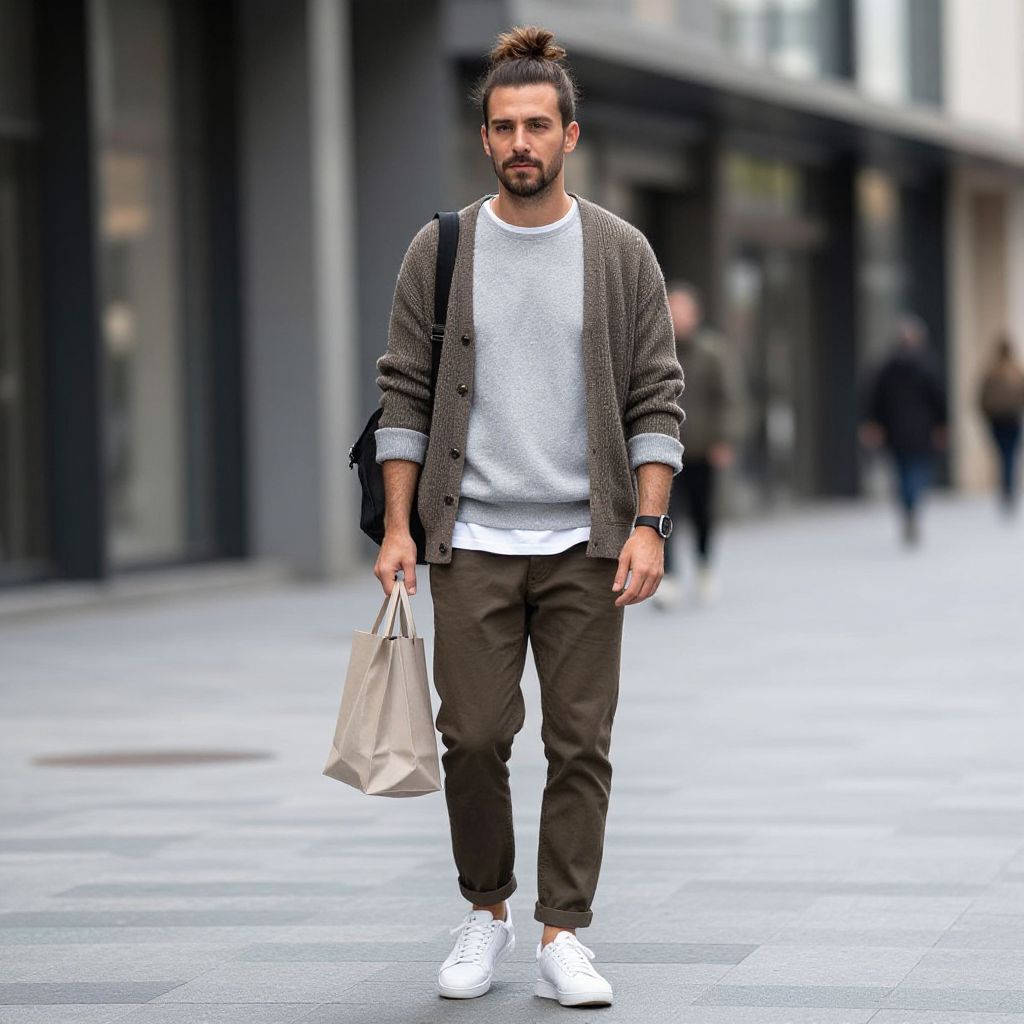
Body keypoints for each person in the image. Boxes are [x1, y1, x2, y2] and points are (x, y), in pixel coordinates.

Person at [371, 26, 684, 1010]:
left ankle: (562, 932)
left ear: (569, 134)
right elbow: (403, 396)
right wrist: (395, 528)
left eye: (537, 125)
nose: (520, 141)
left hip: (586, 544)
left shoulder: (620, 252)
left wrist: (648, 524)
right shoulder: (442, 248)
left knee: (579, 742)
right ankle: (486, 909)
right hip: (469, 542)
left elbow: (656, 399)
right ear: (483, 138)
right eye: (504, 125)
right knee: (469, 735)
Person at [656, 282, 747, 607]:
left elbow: (728, 398)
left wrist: (724, 439)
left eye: (683, 310)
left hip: (702, 448)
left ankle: (705, 565)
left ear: (695, 314)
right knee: (662, 512)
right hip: (663, 448)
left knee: (702, 511)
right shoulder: (656, 347)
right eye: (672, 309)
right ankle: (668, 576)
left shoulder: (713, 352)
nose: (677, 316)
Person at [861, 314, 948, 546]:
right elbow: (939, 399)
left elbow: (874, 399)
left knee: (903, 474)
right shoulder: (926, 364)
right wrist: (941, 425)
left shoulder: (887, 366)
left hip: (896, 431)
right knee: (915, 472)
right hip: (919, 430)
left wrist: (873, 423)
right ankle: (912, 508)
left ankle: (909, 509)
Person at [977, 335, 1024, 514]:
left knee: (1002, 456)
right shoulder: (1016, 371)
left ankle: (1006, 489)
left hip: (996, 420)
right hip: (1012, 419)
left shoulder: (991, 371)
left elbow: (981, 398)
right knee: (1010, 456)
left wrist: (987, 414)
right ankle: (1008, 489)